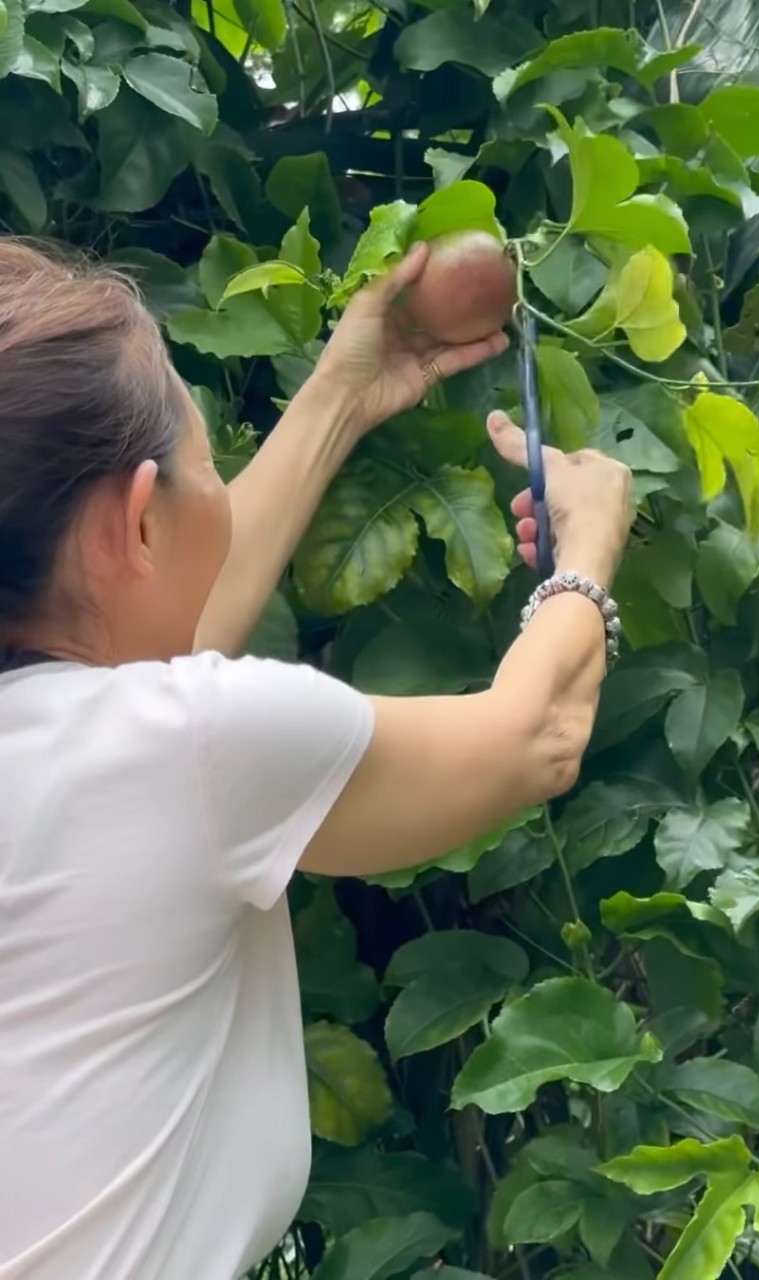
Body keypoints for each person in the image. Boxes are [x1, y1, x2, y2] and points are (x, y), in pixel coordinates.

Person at [0, 237, 633, 1280]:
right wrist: (590, 546)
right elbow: (536, 732)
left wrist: (347, 386)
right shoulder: (187, 750)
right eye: (207, 470)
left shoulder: (97, 738)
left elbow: (171, 617)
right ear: (136, 523)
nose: (223, 495)